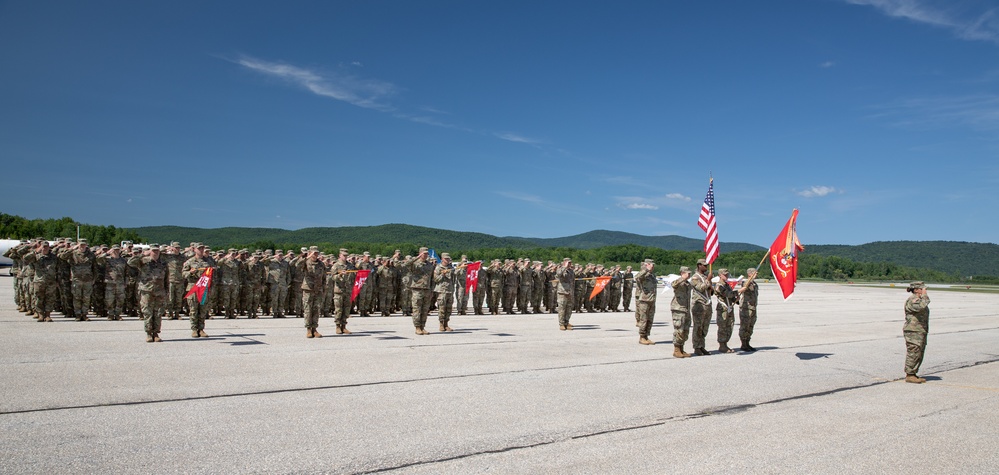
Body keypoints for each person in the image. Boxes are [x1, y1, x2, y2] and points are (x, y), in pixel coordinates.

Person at [128, 245, 168, 342]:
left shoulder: (163, 263)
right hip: (146, 290)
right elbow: (130, 262)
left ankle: (156, 333)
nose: (155, 253)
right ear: (150, 251)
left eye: (157, 251)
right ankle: (149, 333)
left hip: (159, 291)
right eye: (153, 251)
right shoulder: (143, 261)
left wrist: (166, 290)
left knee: (158, 313)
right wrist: (142, 255)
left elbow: (166, 277)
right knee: (147, 312)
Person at [182, 244, 213, 338]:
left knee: (203, 309)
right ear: (195, 250)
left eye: (202, 248)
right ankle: (194, 329)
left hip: (204, 287)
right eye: (199, 248)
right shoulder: (190, 261)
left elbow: (212, 273)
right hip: (193, 287)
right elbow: (183, 274)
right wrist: (190, 273)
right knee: (193, 309)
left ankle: (201, 329)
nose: (201, 250)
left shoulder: (208, 261)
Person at [903, 281, 930, 383]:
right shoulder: (913, 300)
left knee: (919, 352)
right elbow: (921, 306)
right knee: (913, 352)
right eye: (922, 288)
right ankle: (909, 374)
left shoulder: (918, 299)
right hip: (913, 331)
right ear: (916, 289)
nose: (925, 290)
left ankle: (913, 373)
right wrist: (925, 296)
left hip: (920, 330)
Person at [299, 246, 327, 338]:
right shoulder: (306, 262)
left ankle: (314, 329)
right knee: (308, 310)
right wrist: (306, 257)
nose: (315, 255)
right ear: (310, 252)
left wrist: (323, 288)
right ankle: (308, 329)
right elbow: (297, 265)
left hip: (318, 289)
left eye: (316, 253)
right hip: (308, 289)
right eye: (314, 253)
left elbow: (324, 277)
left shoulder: (321, 264)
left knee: (316, 310)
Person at [407, 247, 436, 334]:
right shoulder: (415, 264)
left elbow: (432, 278)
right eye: (424, 253)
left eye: (427, 254)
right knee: (417, 309)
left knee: (425, 309)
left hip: (427, 289)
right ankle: (417, 327)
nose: (426, 255)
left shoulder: (429, 265)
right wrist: (416, 257)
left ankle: (423, 326)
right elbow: (406, 264)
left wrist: (431, 290)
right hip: (417, 289)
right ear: (420, 254)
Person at [690, 258, 713, 356]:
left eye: (707, 265)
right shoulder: (695, 277)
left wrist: (710, 285)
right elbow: (700, 288)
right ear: (699, 265)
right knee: (698, 327)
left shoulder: (704, 277)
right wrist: (708, 279)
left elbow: (710, 292)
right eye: (704, 265)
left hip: (707, 304)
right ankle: (697, 347)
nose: (706, 267)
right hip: (699, 305)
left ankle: (702, 345)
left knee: (704, 327)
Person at [670, 266, 693, 358]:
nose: (689, 274)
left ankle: (681, 348)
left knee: (685, 330)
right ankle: (676, 349)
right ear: (682, 273)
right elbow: (673, 285)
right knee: (679, 329)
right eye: (687, 272)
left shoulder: (688, 284)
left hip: (686, 309)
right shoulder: (678, 282)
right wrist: (682, 279)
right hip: (678, 309)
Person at [713, 268, 737, 353]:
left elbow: (732, 297)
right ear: (720, 275)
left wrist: (736, 299)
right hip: (723, 309)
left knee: (729, 326)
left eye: (727, 274)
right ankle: (722, 345)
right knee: (722, 327)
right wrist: (739, 291)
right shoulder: (719, 285)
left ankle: (726, 343)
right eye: (724, 274)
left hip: (729, 308)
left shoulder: (727, 285)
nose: (726, 276)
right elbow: (727, 294)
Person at [634, 259, 658, 345]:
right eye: (651, 265)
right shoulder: (643, 274)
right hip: (644, 300)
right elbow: (637, 277)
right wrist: (646, 269)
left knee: (650, 319)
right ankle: (642, 337)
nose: (653, 266)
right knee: (643, 319)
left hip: (652, 300)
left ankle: (646, 336)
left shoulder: (652, 275)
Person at [737, 267, 759, 351]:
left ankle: (747, 342)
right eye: (755, 273)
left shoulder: (754, 284)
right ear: (750, 274)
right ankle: (743, 344)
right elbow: (745, 284)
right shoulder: (745, 282)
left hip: (753, 308)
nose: (756, 274)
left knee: (750, 326)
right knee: (744, 326)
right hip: (746, 308)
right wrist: (750, 278)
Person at [434, 253, 455, 331]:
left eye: (448, 259)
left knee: (448, 308)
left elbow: (453, 278)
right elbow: (436, 279)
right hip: (441, 290)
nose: (447, 260)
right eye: (446, 259)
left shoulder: (451, 268)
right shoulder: (438, 267)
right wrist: (442, 274)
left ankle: (446, 324)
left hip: (449, 290)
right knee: (442, 308)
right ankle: (441, 324)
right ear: (442, 259)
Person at [555, 257, 575, 330]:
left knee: (569, 308)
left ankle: (567, 322)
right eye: (568, 262)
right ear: (564, 262)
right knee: (562, 308)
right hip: (562, 292)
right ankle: (561, 324)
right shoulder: (560, 269)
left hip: (570, 291)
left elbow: (572, 281)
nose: (569, 264)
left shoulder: (571, 271)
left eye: (570, 263)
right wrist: (564, 267)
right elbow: (559, 274)